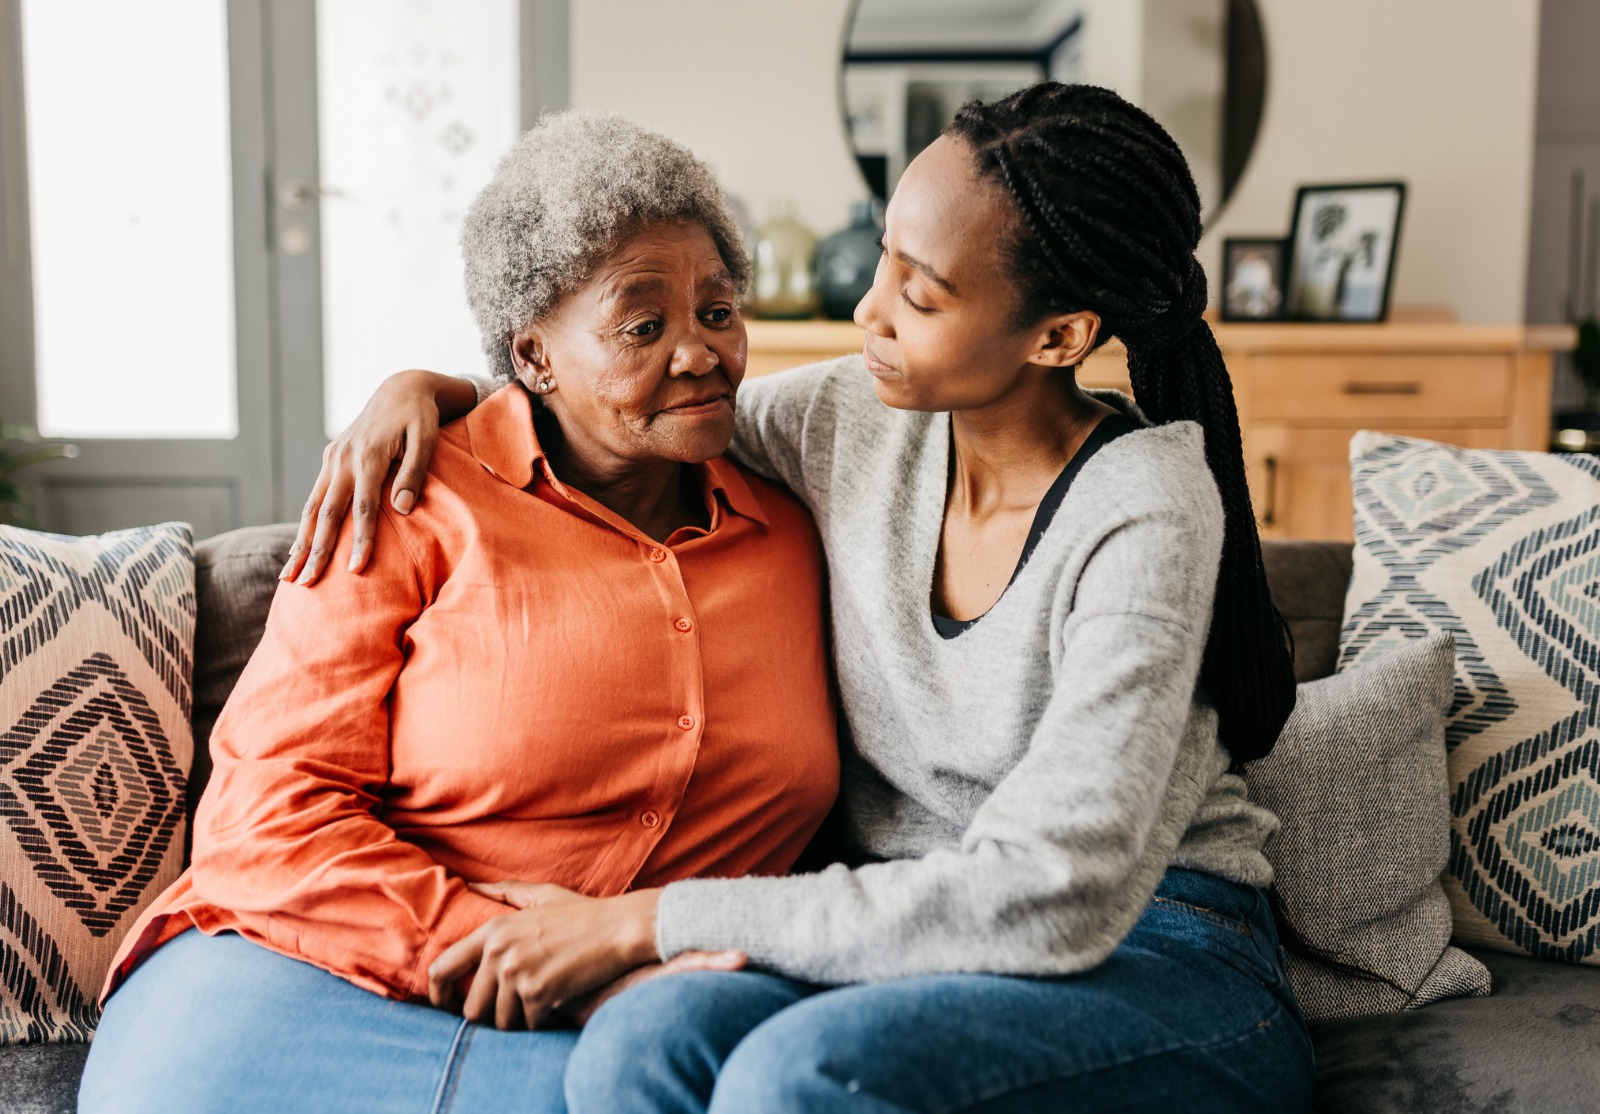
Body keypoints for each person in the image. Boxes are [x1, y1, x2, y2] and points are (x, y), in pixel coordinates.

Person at [284, 83, 1315, 1112]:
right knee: (640, 1042)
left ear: (1058, 335)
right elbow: (630, 404)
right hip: (905, 946)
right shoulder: (853, 417)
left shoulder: (1146, 503)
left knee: (801, 1079)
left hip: (1158, 948)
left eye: (920, 295)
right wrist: (430, 389)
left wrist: (647, 921)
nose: (868, 311)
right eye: (883, 260)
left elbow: (1055, 894)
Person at [77, 112, 840, 1114]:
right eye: (643, 326)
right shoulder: (407, 494)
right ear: (533, 357)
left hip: (648, 1009)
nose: (700, 354)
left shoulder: (800, 519)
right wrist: (499, 939)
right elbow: (267, 811)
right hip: (314, 965)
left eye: (718, 311)